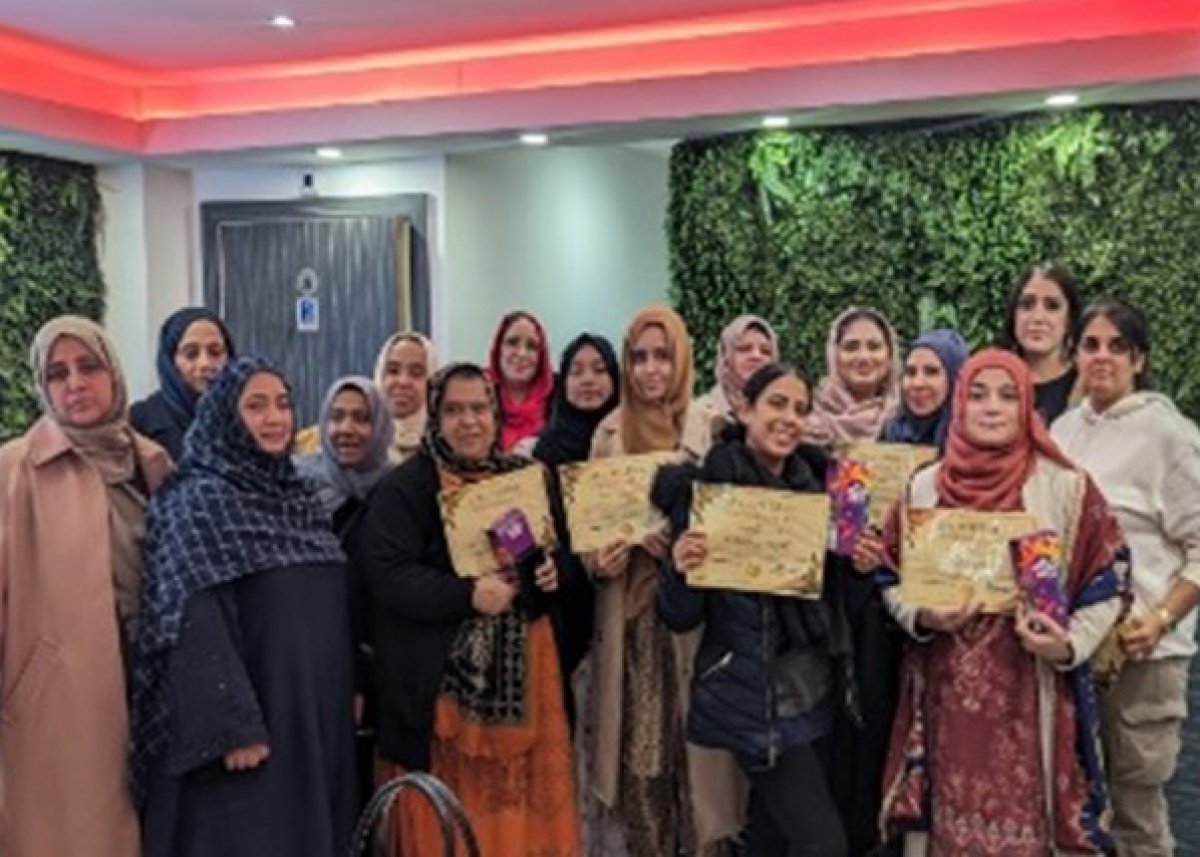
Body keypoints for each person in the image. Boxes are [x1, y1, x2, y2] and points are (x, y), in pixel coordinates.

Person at [879, 349, 1128, 856]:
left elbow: (1111, 577)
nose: (991, 407)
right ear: (959, 405)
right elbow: (888, 573)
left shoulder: (1064, 488)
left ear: (1027, 406)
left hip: (1031, 696)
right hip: (946, 700)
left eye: (1008, 395)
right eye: (977, 394)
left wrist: (1067, 644)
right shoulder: (924, 488)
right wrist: (923, 614)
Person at [130, 357, 357, 857]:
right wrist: (229, 726)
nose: (275, 418)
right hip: (253, 723)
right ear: (223, 417)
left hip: (312, 711)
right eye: (255, 406)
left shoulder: (296, 495)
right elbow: (191, 616)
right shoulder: (197, 500)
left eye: (281, 404)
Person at [363, 363, 579, 857]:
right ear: (435, 418)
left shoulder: (520, 481)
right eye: (454, 410)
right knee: (452, 821)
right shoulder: (407, 488)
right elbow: (387, 575)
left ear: (495, 413)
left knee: (521, 818)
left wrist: (548, 574)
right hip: (443, 695)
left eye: (479, 408)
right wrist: (465, 596)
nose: (469, 422)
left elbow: (543, 556)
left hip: (528, 683)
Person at [658, 362, 855, 856]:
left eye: (800, 408)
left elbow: (828, 595)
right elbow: (679, 615)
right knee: (823, 843)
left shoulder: (814, 488)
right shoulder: (708, 492)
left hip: (811, 686)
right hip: (752, 696)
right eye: (776, 404)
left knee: (769, 834)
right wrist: (680, 567)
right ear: (744, 409)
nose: (789, 418)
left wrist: (854, 557)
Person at [0, 316, 172, 857]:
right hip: (58, 701)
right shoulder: (14, 471)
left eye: (89, 366)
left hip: (150, 685)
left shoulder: (151, 462)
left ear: (114, 373)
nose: (75, 383)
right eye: (58, 373)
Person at [579, 304, 742, 857]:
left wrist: (683, 539)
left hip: (697, 627)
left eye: (662, 356)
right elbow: (589, 538)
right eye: (639, 357)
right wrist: (603, 558)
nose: (650, 370)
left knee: (700, 770)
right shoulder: (607, 436)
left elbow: (736, 534)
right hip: (633, 627)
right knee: (642, 765)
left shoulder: (714, 433)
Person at [1052, 299, 1200, 857]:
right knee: (1077, 806)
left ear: (1139, 358)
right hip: (1075, 648)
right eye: (1090, 345)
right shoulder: (1064, 432)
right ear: (1074, 356)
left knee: (1136, 808)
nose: (1102, 357)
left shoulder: (1170, 434)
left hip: (1143, 654)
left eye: (1118, 346)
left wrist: (1162, 617)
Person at [294, 376, 397, 805]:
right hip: (315, 661)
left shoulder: (398, 490)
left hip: (383, 667)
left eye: (361, 418)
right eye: (335, 417)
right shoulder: (298, 487)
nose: (346, 429)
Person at [531, 333, 621, 725]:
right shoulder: (546, 453)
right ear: (561, 382)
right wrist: (571, 566)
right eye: (577, 371)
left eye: (600, 370)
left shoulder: (630, 445)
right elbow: (541, 535)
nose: (588, 381)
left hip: (623, 592)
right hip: (568, 603)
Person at [131, 307, 236, 460]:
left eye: (215, 352)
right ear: (170, 361)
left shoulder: (244, 416)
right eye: (191, 354)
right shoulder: (142, 422)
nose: (205, 364)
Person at [803, 307, 901, 448]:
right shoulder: (807, 417)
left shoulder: (906, 419)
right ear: (833, 355)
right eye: (851, 347)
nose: (863, 357)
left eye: (874, 347)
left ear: (890, 356)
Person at [1000, 263, 1084, 425]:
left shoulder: (1088, 386)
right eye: (1027, 305)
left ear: (1069, 319)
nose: (1037, 317)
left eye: (1052, 306)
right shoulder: (991, 380)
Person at [881, 328, 970, 449]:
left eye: (931, 372)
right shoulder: (890, 435)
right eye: (910, 372)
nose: (917, 384)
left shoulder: (975, 442)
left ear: (955, 378)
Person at [693, 314, 779, 434]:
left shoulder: (780, 416)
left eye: (765, 351)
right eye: (744, 349)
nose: (756, 356)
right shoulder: (700, 414)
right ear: (726, 357)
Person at [485, 310, 555, 453]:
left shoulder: (560, 395)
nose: (522, 353)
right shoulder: (478, 393)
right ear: (498, 349)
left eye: (532, 346)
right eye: (512, 343)